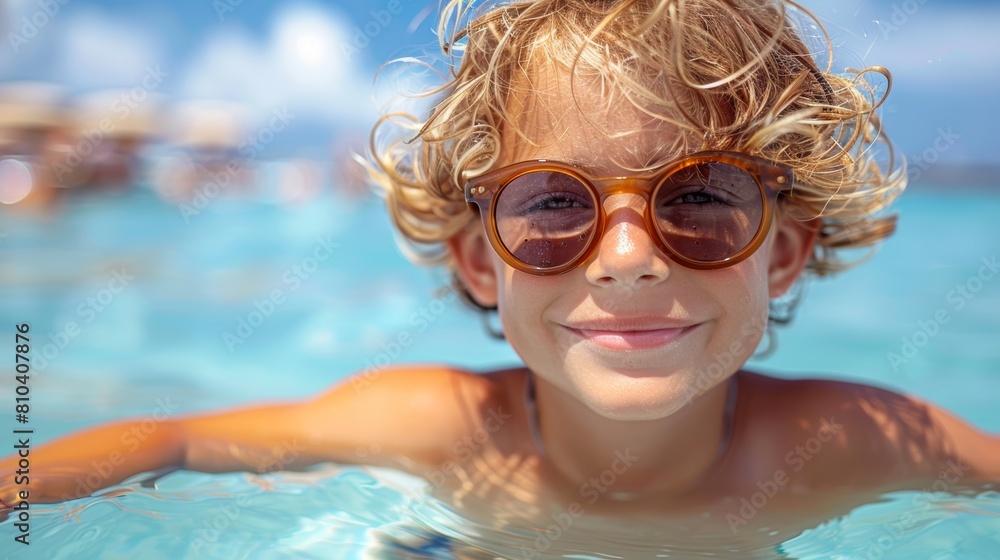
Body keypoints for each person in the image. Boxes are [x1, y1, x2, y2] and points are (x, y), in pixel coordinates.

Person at [3, 0, 998, 547]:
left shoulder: (842, 442)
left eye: (699, 195)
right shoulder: (440, 426)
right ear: (481, 260)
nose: (627, 258)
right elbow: (177, 439)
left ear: (781, 251)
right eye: (555, 203)